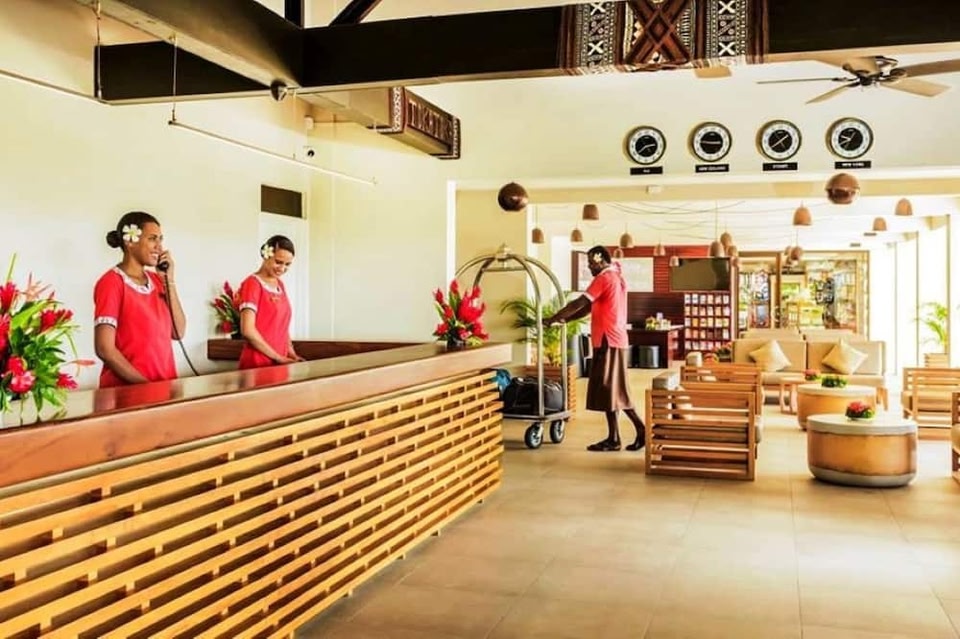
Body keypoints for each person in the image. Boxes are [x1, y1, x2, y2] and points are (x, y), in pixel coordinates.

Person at [544, 245, 645, 452]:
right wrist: (564, 320)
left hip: (609, 340)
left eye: (591, 263)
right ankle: (614, 438)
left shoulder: (604, 278)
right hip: (612, 340)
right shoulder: (615, 277)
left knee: (613, 389)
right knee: (610, 389)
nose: (589, 267)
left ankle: (641, 429)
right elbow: (588, 308)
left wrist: (553, 317)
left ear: (601, 260)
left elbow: (580, 302)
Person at [94, 211, 186, 388]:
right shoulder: (111, 283)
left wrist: (169, 281)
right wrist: (145, 387)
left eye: (160, 239)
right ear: (130, 241)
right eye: (152, 239)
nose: (159, 247)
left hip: (163, 389)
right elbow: (104, 349)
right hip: (129, 392)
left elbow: (178, 332)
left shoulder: (159, 281)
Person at [237, 235, 304, 369]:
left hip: (279, 362)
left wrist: (291, 354)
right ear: (266, 255)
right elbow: (247, 330)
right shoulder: (252, 284)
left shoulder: (280, 285)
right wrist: (278, 358)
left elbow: (282, 326)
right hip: (257, 362)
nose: (282, 268)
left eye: (287, 264)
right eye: (278, 262)